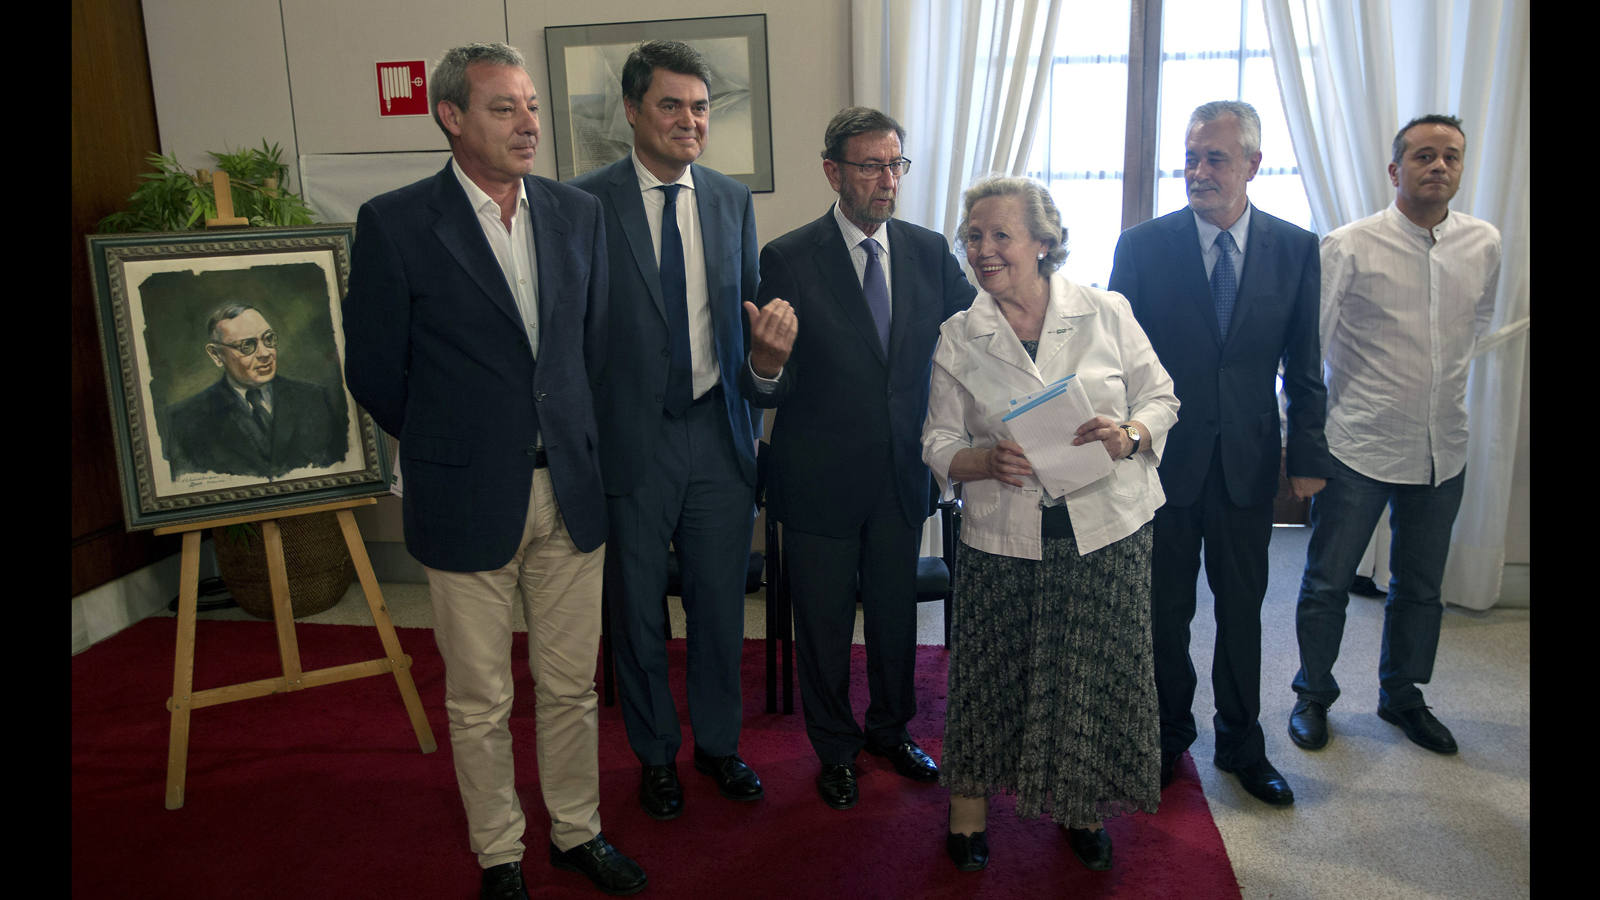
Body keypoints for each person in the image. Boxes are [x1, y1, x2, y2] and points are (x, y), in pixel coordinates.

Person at [341, 42, 645, 900]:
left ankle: (576, 834)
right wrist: (454, 444)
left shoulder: (574, 214)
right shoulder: (396, 222)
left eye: (533, 108)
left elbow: (591, 351)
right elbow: (374, 371)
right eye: (504, 109)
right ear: (452, 118)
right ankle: (500, 853)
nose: (529, 125)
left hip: (570, 492)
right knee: (478, 699)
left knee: (570, 687)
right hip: (465, 494)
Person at [923, 176, 1177, 872]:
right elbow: (937, 442)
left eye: (1000, 235)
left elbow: (1161, 396)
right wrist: (981, 460)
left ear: (1044, 242)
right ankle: (969, 812)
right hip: (1003, 537)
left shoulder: (1105, 310)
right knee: (990, 674)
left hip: (1107, 530)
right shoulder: (959, 333)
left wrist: (1129, 432)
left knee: (1087, 675)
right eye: (973, 235)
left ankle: (1080, 805)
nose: (983, 249)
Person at [742, 107, 975, 810]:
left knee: (897, 618)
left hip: (903, 475)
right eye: (871, 165)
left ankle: (891, 730)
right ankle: (835, 748)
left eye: (895, 164)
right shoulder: (788, 256)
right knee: (821, 624)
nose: (886, 179)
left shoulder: (930, 250)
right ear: (833, 171)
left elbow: (977, 338)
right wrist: (765, 362)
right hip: (818, 478)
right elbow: (767, 378)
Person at [1108, 99, 1331, 807]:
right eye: (1192, 156)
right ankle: (1167, 735)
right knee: (1163, 609)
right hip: (1161, 463)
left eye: (1216, 158)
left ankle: (1240, 741)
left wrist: (1308, 456)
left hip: (1247, 462)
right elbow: (1111, 363)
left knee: (1242, 608)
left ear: (1253, 165)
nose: (1199, 171)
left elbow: (1304, 364)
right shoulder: (1142, 247)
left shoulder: (1296, 248)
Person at [570, 40, 764, 821]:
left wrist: (767, 368)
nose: (690, 121)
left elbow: (747, 320)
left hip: (717, 435)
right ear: (631, 112)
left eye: (701, 107)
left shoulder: (729, 200)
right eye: (671, 105)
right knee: (638, 612)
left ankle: (718, 747)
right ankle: (656, 755)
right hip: (631, 443)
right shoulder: (583, 204)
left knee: (721, 608)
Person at [1287, 114, 1499, 756]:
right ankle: (1312, 695)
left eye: (1452, 158)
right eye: (1425, 156)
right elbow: (1309, 349)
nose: (1439, 168)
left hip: (1444, 449)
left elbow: (1476, 329)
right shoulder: (1350, 245)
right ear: (1395, 170)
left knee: (1421, 586)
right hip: (1359, 445)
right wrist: (1306, 444)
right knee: (1327, 582)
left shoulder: (1484, 243)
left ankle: (1402, 694)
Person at [165, 303, 346, 479]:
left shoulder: (315, 399)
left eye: (268, 339)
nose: (265, 353)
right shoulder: (186, 420)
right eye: (247, 346)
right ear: (216, 354)